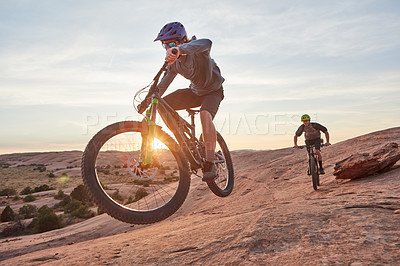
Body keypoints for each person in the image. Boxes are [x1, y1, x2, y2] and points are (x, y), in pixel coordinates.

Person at [142, 22, 225, 182]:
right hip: (194, 92)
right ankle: (183, 141)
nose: (168, 48)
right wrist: (148, 100)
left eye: (171, 44)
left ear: (183, 41)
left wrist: (180, 50)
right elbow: (162, 85)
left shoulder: (198, 50)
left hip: (213, 92)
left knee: (204, 115)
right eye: (164, 45)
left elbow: (207, 42)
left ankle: (210, 163)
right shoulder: (175, 64)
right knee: (160, 104)